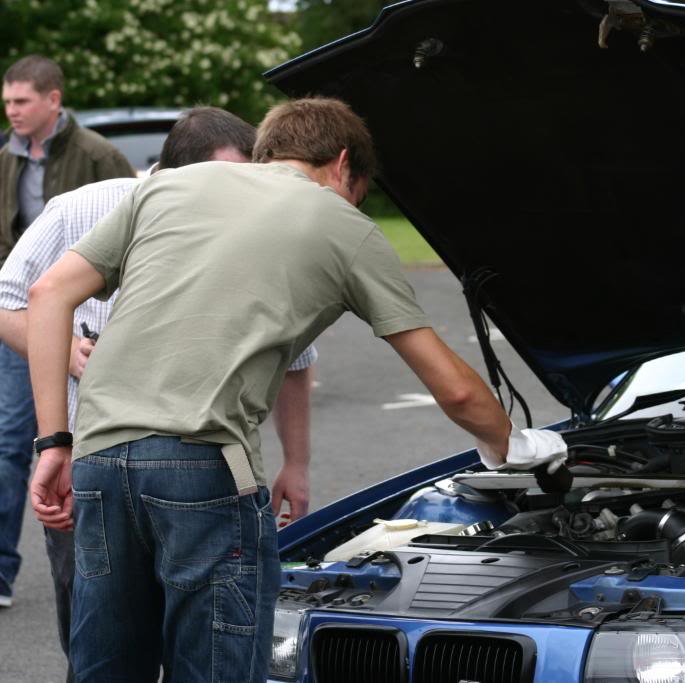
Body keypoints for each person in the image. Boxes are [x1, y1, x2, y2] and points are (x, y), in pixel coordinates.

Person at [26, 97, 565, 682]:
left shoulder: (166, 187)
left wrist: (55, 441)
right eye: (357, 193)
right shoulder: (341, 225)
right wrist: (515, 446)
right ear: (342, 165)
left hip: (99, 461)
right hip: (202, 467)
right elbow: (455, 392)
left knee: (104, 669)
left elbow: (49, 294)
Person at [0, 106, 317, 681]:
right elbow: (10, 300)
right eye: (230, 179)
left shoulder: (259, 219)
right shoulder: (80, 208)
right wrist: (67, 352)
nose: (243, 194)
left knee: (209, 645)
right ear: (174, 173)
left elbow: (295, 354)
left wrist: (296, 461)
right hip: (90, 467)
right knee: (100, 656)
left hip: (203, 466)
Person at [0, 55, 135, 608]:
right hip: (23, 312)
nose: (12, 112)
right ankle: (1, 571)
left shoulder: (100, 155)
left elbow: (132, 225)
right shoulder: (5, 159)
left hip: (81, 318)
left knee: (81, 440)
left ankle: (101, 566)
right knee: (11, 443)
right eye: (7, 102)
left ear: (53, 100)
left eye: (22, 101)